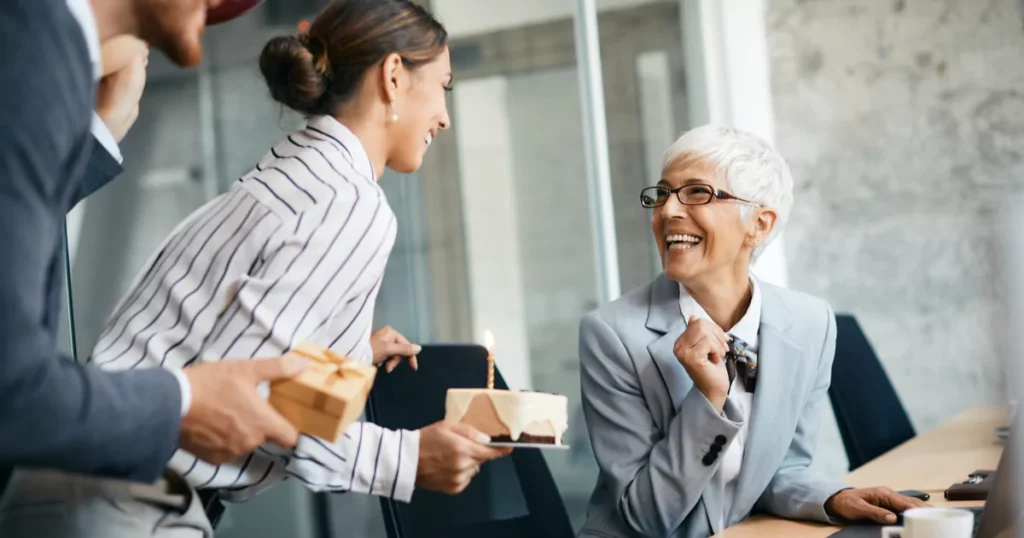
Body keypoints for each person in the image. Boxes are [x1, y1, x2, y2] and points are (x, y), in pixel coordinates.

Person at [0, 1, 510, 536]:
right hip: (126, 501)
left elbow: (222, 344)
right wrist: (406, 459)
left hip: (73, 482)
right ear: (392, 76)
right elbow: (259, 400)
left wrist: (350, 354)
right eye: (444, 86)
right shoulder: (352, 204)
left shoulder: (290, 171)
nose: (446, 116)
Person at [0, 0, 313, 530]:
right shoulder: (29, 55)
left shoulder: (37, 48)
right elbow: (13, 393)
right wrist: (182, 402)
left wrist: (97, 135)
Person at [576, 125, 927, 538]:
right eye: (664, 193)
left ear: (758, 225)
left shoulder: (811, 324)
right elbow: (645, 518)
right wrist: (708, 399)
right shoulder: (611, 335)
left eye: (696, 193)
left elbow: (781, 471)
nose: (668, 210)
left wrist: (832, 498)